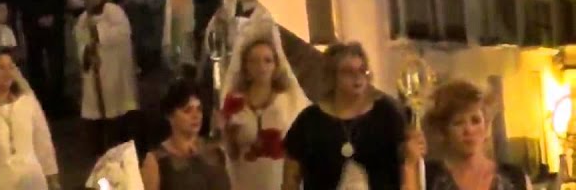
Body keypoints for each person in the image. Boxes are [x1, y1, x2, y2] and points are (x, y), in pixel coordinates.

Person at [283, 42, 419, 190]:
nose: (357, 77)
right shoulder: (310, 121)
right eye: (348, 72)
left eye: (362, 70)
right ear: (332, 76)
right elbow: (291, 178)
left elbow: (407, 167)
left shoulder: (387, 114)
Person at [216, 20, 308, 190]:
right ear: (245, 67)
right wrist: (227, 131)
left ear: (275, 65)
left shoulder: (288, 100)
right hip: (244, 180)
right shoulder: (234, 101)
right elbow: (231, 152)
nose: (261, 67)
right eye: (254, 61)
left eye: (267, 61)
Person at [0, 47, 60, 190]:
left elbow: (43, 142)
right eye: (0, 68)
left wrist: (52, 179)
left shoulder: (26, 102)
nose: (8, 73)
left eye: (11, 67)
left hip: (32, 181)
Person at [422, 80, 531, 190]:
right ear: (444, 131)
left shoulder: (514, 178)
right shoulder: (431, 180)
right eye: (458, 122)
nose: (469, 130)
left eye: (475, 121)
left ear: (487, 126)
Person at [75, 0, 139, 156]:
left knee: (118, 123)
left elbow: (123, 33)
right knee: (97, 126)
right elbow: (80, 42)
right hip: (95, 79)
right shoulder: (83, 19)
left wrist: (98, 32)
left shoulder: (114, 11)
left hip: (115, 77)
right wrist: (87, 52)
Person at [13, 0, 69, 113]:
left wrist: (36, 16)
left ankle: (41, 99)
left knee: (35, 59)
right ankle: (58, 98)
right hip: (54, 17)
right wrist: (53, 14)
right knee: (56, 59)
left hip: (32, 20)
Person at [140, 79, 229, 190]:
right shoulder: (156, 159)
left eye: (199, 109)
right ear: (170, 116)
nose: (195, 116)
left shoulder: (214, 151)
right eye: (187, 110)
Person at [207, 0, 274, 56]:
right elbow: (212, 34)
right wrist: (221, 24)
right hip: (225, 58)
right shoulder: (226, 6)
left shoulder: (264, 15)